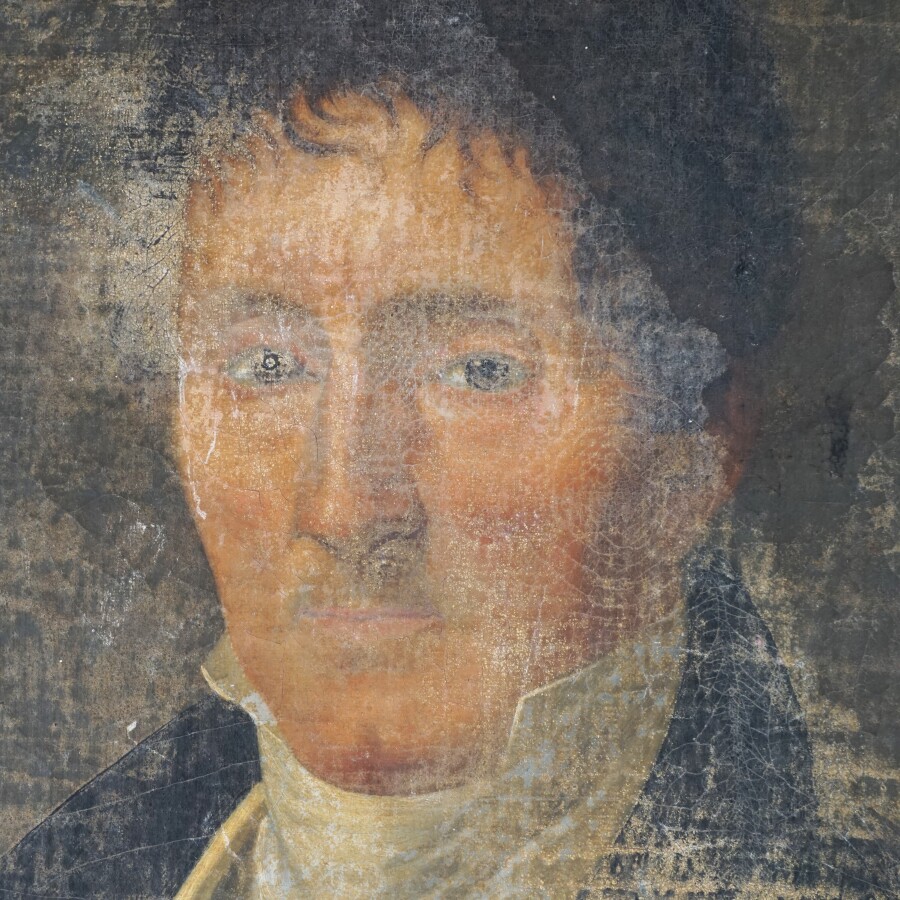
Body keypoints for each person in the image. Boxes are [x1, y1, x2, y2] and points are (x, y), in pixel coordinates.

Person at [1, 0, 892, 896]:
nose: (345, 509)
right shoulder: (72, 871)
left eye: (479, 371)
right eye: (267, 365)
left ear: (696, 445)